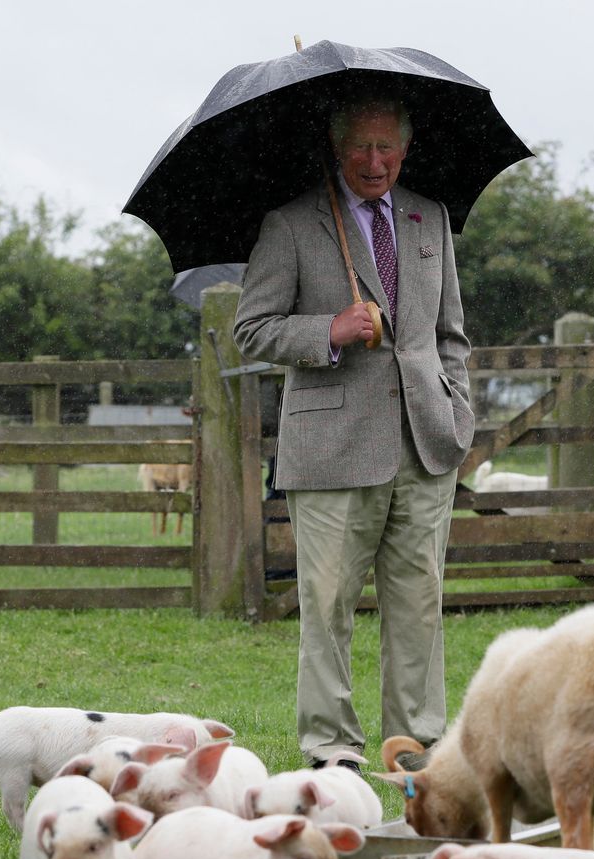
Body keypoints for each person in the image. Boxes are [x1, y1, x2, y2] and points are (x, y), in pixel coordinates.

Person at [233, 96, 474, 769]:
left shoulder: (431, 218)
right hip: (332, 453)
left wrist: (459, 414)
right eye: (361, 149)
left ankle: (415, 750)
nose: (374, 162)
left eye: (386, 149)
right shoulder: (291, 224)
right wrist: (328, 332)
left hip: (427, 448)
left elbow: (449, 335)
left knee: (418, 612)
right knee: (327, 608)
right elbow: (250, 329)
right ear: (338, 150)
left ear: (404, 150)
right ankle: (331, 751)